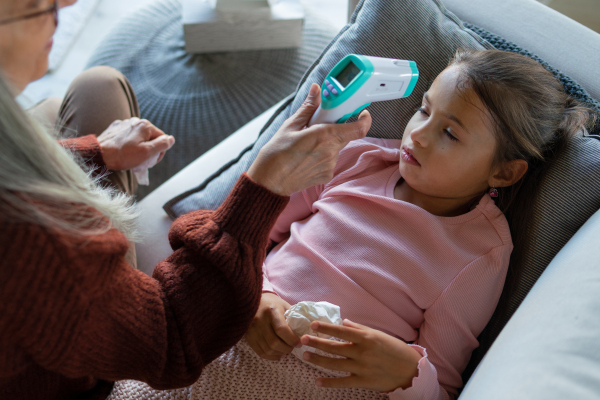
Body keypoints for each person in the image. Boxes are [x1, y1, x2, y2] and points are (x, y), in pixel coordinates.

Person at [106, 49, 595, 400]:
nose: (418, 134)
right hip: (244, 322)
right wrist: (256, 295)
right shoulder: (356, 160)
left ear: (504, 172)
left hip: (321, 379)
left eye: (449, 133)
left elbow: (441, 384)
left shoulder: (479, 254)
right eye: (424, 109)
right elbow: (248, 231)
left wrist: (405, 369)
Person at [0, 1, 373, 399]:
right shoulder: (34, 240)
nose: (68, 3)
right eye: (36, 5)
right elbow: (174, 341)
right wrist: (266, 186)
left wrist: (90, 153)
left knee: (97, 87)